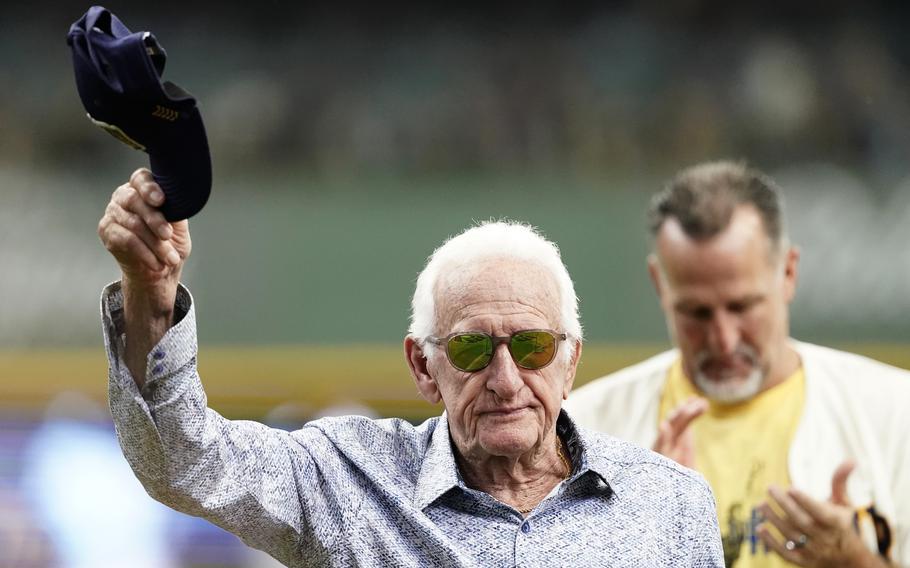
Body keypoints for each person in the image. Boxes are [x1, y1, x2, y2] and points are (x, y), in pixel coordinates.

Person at [96, 168, 723, 567]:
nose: (505, 381)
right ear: (423, 367)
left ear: (570, 361)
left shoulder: (670, 504)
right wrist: (149, 289)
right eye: (473, 352)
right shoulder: (348, 482)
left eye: (531, 348)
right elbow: (183, 459)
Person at [565, 161, 910, 568]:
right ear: (660, 284)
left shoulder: (895, 413)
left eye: (742, 306)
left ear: (788, 272)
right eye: (696, 313)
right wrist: (640, 532)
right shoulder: (583, 431)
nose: (724, 339)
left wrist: (854, 561)